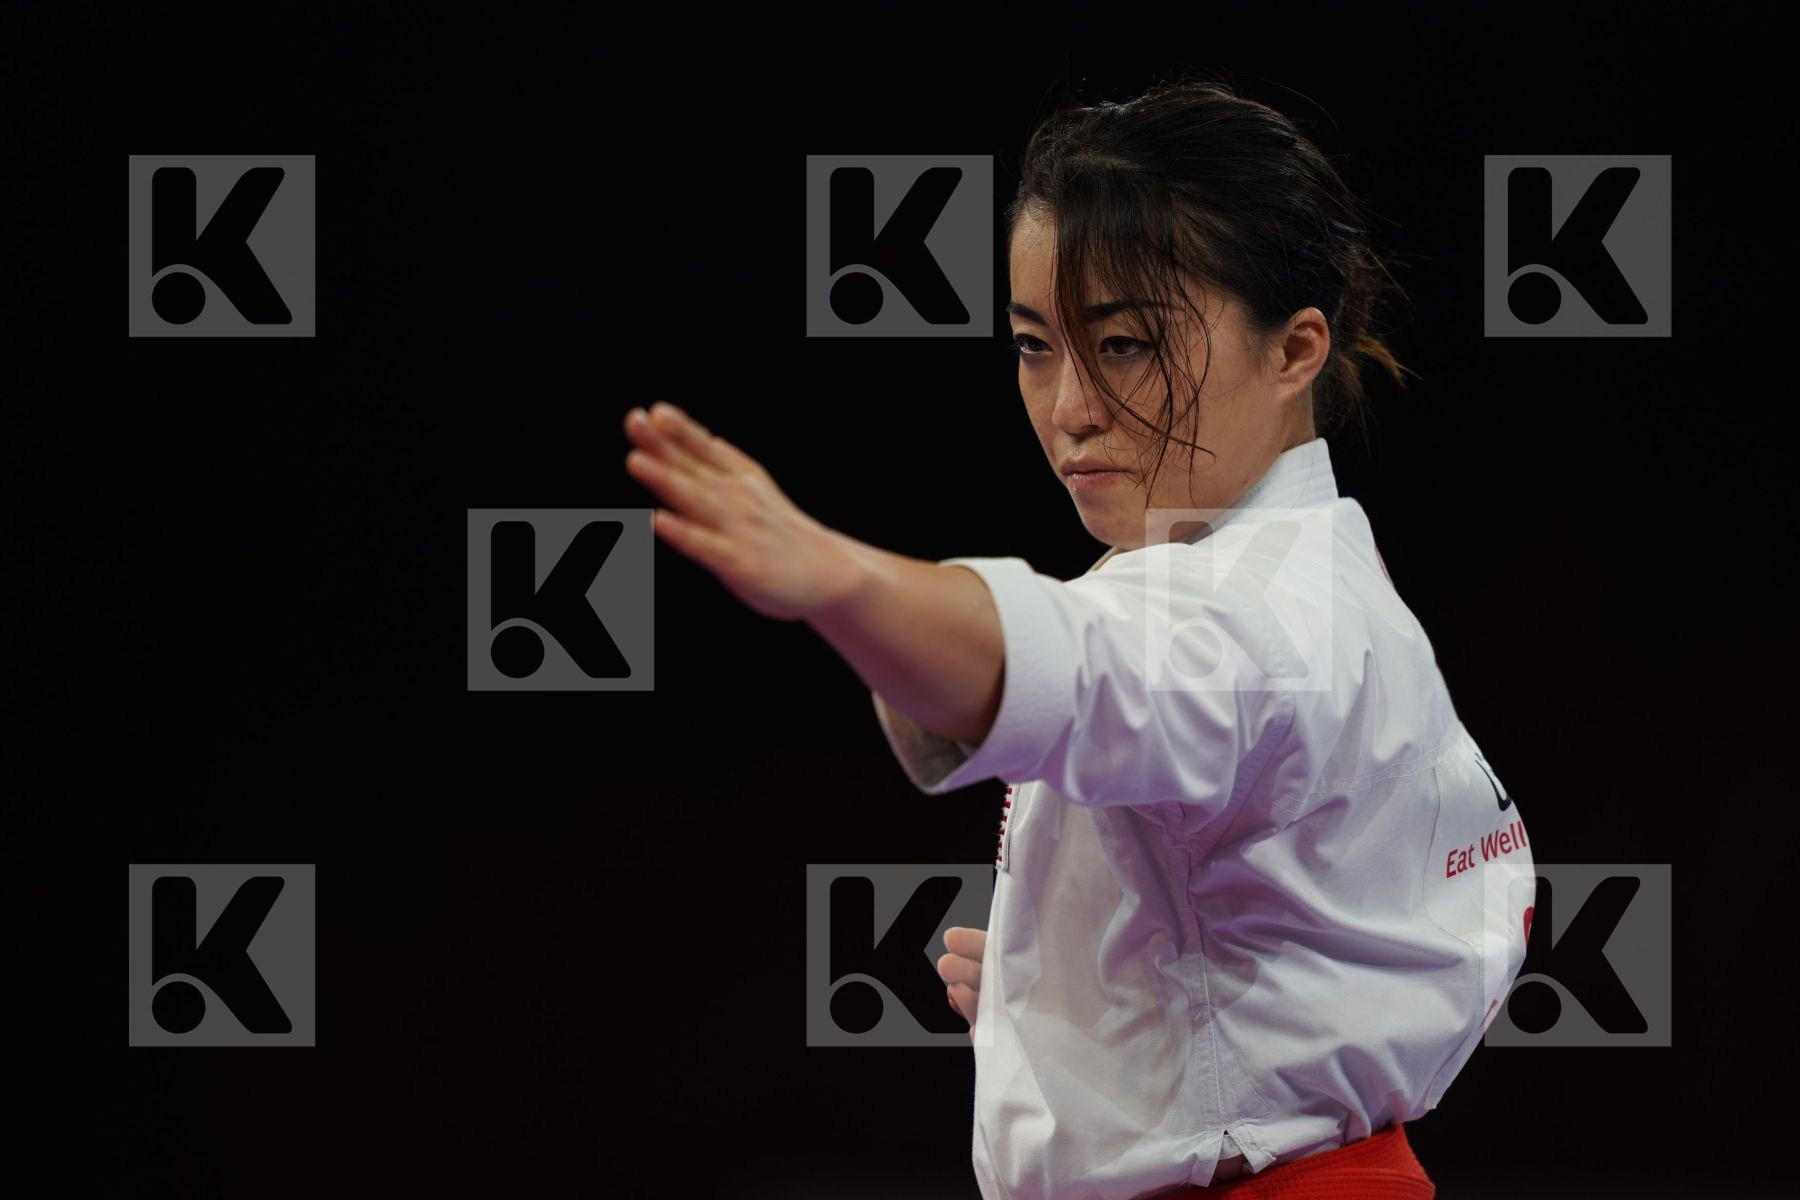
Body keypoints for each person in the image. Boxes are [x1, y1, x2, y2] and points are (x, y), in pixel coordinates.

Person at [623, 77, 1535, 1200]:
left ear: (1295, 349)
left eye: (1125, 345)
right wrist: (1085, 993)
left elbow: (1055, 664)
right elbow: (1439, 921)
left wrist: (838, 578)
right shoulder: (1303, 580)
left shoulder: (1258, 616)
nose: (1068, 407)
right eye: (1034, 345)